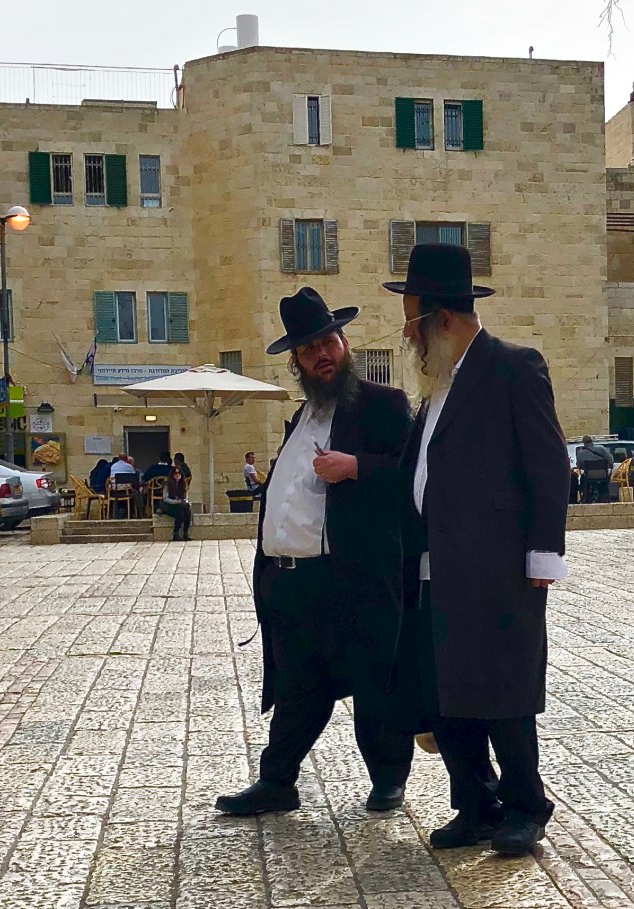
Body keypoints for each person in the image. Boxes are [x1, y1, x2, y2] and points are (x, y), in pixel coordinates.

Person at [387, 244, 570, 857]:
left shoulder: (514, 366)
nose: (406, 334)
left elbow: (549, 465)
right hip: (433, 566)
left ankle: (525, 807)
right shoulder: (437, 384)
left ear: (440, 318)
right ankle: (475, 804)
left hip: (497, 565)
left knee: (502, 691)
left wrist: (543, 554)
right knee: (446, 694)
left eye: (411, 321)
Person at [215, 286, 415, 818]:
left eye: (329, 342)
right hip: (292, 583)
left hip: (353, 577)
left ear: (345, 344)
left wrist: (356, 467)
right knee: (297, 688)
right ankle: (277, 782)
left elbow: (416, 478)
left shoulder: (383, 405)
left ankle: (388, 781)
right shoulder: (302, 415)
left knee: (374, 682)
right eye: (309, 349)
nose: (322, 354)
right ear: (297, 363)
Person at [576, 435, 613, 504]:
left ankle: (586, 496)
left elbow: (579, 466)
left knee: (582, 479)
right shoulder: (601, 449)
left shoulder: (580, 453)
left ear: (584, 443)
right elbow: (611, 460)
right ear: (592, 441)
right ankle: (603, 495)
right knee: (607, 478)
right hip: (603, 475)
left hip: (589, 476)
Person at [162, 466, 191, 541]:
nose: (177, 475)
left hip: (180, 505)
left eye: (179, 473)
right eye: (175, 473)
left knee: (187, 511)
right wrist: (176, 502)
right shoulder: (168, 484)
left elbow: (186, 497)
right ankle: (176, 533)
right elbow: (165, 498)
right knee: (181, 511)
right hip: (170, 506)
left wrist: (185, 501)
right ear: (172, 474)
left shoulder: (183, 484)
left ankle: (185, 532)